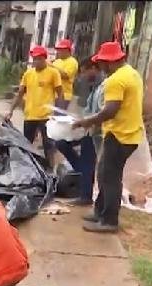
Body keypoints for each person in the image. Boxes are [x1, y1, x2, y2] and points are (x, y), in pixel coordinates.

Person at [72, 42, 144, 233]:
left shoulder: (115, 80)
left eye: (102, 63)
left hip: (119, 135)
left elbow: (110, 111)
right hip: (129, 134)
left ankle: (109, 221)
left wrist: (86, 122)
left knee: (110, 178)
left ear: (109, 61)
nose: (101, 67)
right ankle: (100, 212)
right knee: (105, 174)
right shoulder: (133, 73)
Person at [54, 57, 104, 206]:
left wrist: (86, 122)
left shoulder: (103, 85)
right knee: (61, 143)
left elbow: (103, 111)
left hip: (95, 130)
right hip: (86, 126)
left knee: (88, 160)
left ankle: (85, 196)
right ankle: (83, 175)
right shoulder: (91, 85)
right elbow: (86, 106)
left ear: (93, 68)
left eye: (85, 72)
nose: (82, 76)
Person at [7, 45, 64, 167]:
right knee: (26, 144)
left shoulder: (53, 73)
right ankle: (27, 168)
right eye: (34, 59)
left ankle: (50, 169)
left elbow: (60, 93)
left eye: (38, 59)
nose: (36, 61)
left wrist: (59, 113)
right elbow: (20, 93)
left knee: (48, 145)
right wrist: (11, 110)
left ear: (45, 59)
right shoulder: (28, 74)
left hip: (46, 116)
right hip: (30, 115)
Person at [50, 39, 79, 109]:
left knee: (59, 117)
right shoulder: (56, 61)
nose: (59, 52)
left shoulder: (72, 62)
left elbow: (66, 75)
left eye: (61, 50)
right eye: (58, 49)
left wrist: (52, 66)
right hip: (52, 94)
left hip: (64, 95)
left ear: (68, 50)